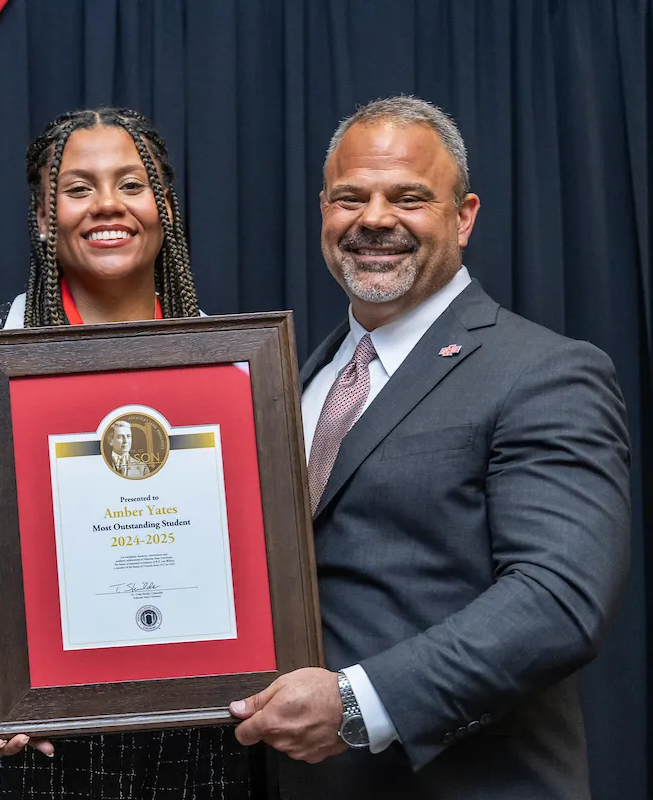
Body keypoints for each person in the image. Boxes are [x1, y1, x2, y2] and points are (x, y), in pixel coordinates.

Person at [227, 96, 631, 799]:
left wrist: (357, 705)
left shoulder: (546, 372)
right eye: (350, 197)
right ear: (323, 211)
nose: (375, 218)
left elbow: (558, 600)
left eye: (408, 198)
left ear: (464, 216)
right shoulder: (294, 381)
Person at [0, 108, 263, 798]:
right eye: (78, 188)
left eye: (132, 185)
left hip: (202, 740)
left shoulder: (232, 364)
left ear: (166, 208)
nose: (108, 205)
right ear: (41, 216)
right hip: (22, 741)